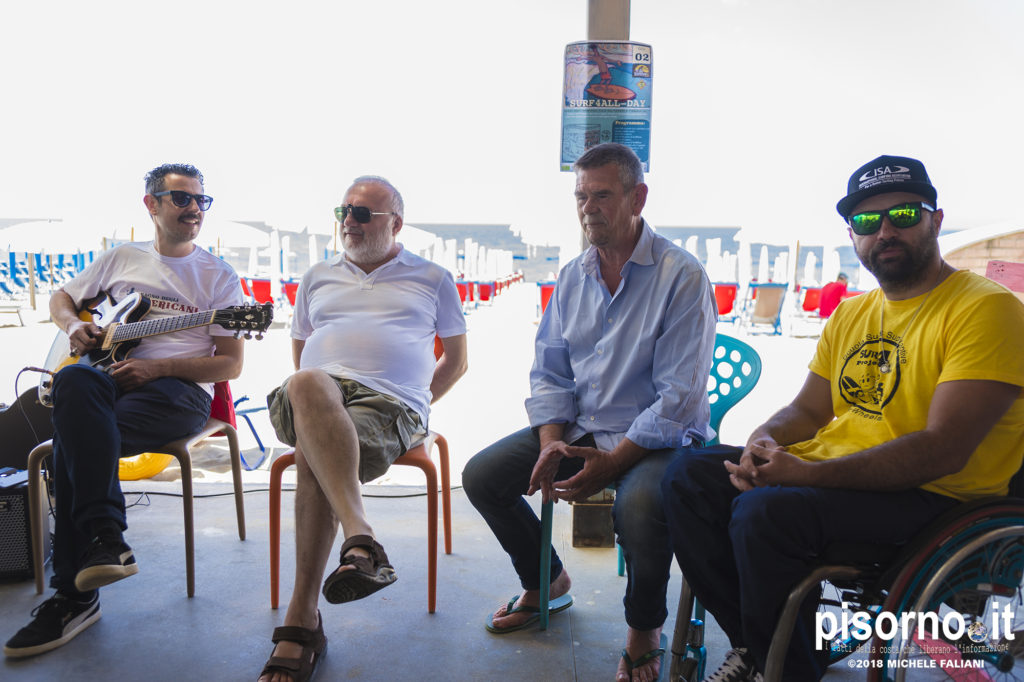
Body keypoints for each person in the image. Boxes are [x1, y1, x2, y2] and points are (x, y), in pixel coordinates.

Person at [662, 154, 1024, 681]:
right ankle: (762, 648)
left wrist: (806, 475)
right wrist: (762, 442)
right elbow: (808, 410)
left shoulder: (985, 309)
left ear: (936, 220)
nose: (884, 231)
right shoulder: (853, 312)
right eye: (866, 221)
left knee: (764, 514)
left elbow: (944, 448)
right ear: (852, 235)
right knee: (688, 477)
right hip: (842, 481)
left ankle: (782, 665)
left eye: (904, 215)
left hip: (937, 497)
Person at [463, 143, 718, 682]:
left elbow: (677, 397)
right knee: (483, 476)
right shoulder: (572, 277)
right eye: (581, 196)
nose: (588, 208)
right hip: (584, 427)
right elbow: (550, 372)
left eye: (602, 195)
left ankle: (644, 628)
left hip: (658, 439)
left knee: (641, 505)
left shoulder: (682, 275)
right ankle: (547, 581)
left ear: (638, 198)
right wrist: (551, 444)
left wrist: (614, 463)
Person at [4, 163, 246, 658]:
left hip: (179, 392)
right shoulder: (120, 258)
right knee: (73, 378)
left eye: (201, 200)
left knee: (74, 439)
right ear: (151, 204)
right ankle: (105, 538)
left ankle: (75, 594)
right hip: (106, 382)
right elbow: (62, 297)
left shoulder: (218, 277)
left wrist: (159, 369)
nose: (195, 209)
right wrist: (73, 325)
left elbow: (231, 364)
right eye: (182, 199)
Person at [257, 176, 467, 682]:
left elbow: (456, 362)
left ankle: (301, 622)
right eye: (344, 211)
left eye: (363, 213)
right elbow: (301, 353)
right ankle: (361, 537)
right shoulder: (316, 276)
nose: (349, 221)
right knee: (307, 379)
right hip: (314, 396)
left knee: (313, 457)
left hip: (391, 405)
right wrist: (322, 405)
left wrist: (416, 404)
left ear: (395, 223)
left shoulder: (433, 278)